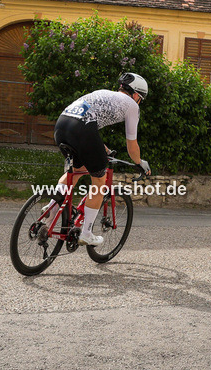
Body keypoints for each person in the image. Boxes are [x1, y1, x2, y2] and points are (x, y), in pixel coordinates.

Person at [45, 72, 151, 246]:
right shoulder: (132, 105)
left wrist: (105, 149)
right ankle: (85, 233)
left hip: (62, 125)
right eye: (140, 98)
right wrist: (139, 162)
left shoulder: (104, 94)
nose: (139, 101)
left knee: (77, 171)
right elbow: (132, 145)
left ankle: (51, 209)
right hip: (82, 129)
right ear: (135, 94)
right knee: (100, 181)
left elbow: (87, 125)